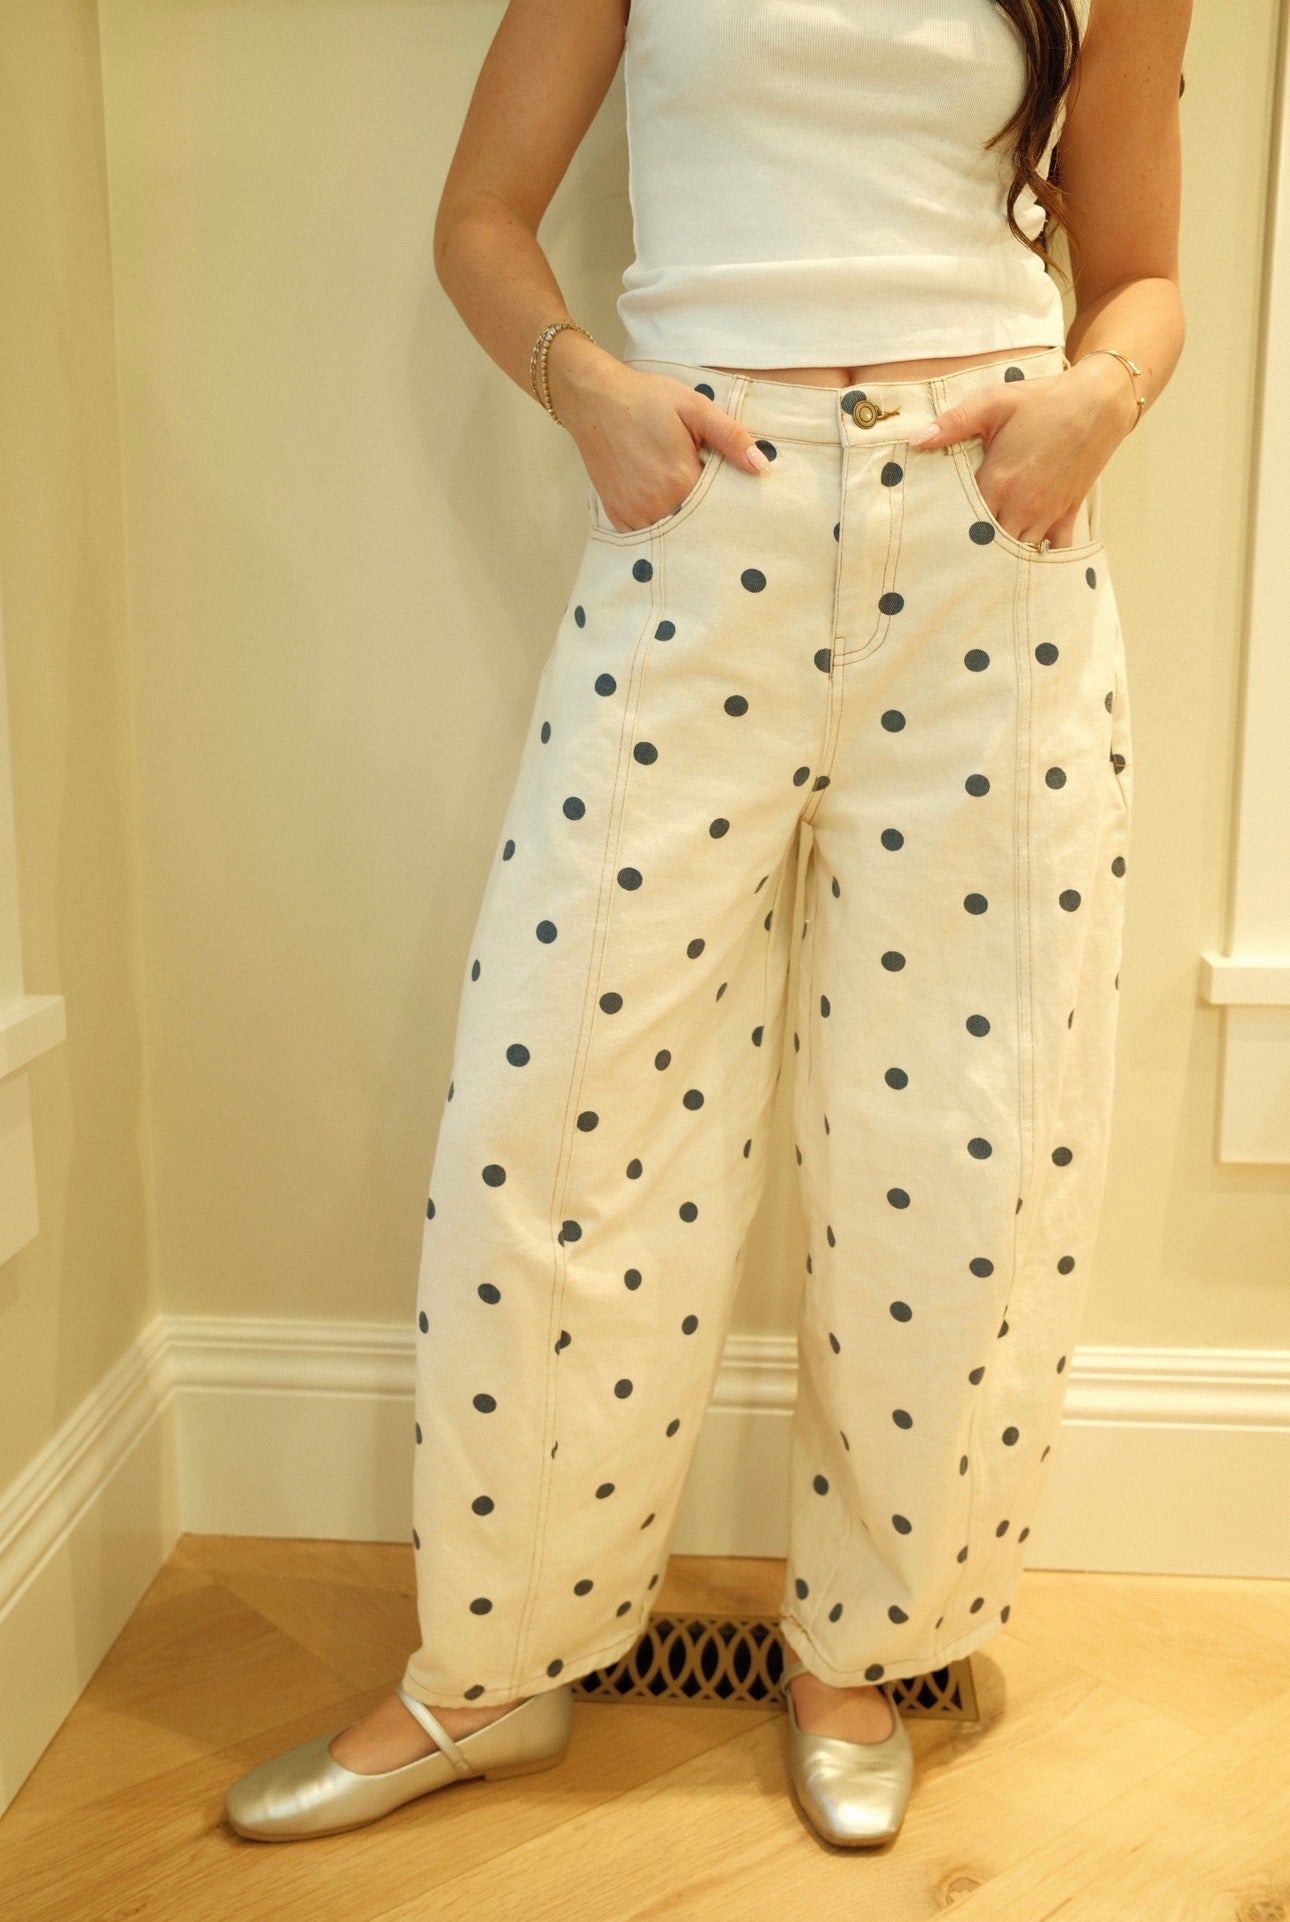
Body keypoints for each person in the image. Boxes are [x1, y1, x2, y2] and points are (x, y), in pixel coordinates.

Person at [225, 0, 1189, 1849]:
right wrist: (587, 387)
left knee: (962, 1137)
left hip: (987, 544)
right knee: (561, 1114)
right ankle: (491, 1667)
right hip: (703, 523)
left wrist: (1095, 400)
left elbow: (1140, 271)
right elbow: (481, 216)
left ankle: (863, 1655)